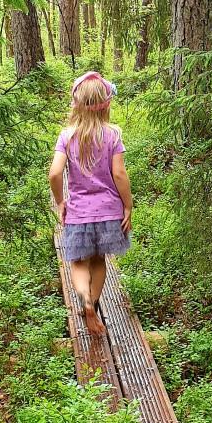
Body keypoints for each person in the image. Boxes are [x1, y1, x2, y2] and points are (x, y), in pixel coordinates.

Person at [49, 72, 133, 337]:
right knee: (98, 261)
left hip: (78, 213)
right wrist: (128, 206)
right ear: (106, 104)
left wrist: (61, 201)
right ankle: (94, 304)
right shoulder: (112, 134)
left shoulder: (67, 135)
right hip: (108, 213)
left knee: (77, 262)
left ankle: (85, 300)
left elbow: (54, 173)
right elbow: (119, 174)